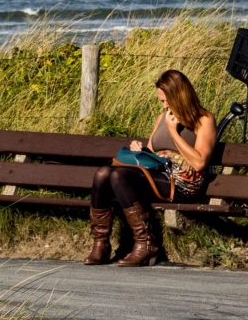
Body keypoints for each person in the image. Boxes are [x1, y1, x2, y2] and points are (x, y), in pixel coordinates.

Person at [88, 68, 219, 267]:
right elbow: (150, 153)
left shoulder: (203, 120)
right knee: (103, 173)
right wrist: (140, 149)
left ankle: (146, 243)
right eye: (161, 101)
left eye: (167, 101)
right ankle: (100, 243)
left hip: (181, 182)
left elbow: (200, 162)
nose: (164, 105)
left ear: (180, 96)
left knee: (118, 177)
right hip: (157, 174)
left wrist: (173, 132)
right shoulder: (162, 118)